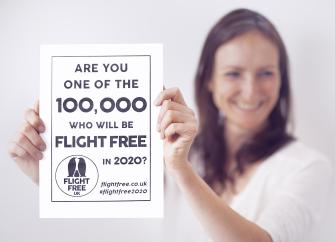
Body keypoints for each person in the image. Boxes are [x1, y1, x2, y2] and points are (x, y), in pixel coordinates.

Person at [8, 8, 334, 242]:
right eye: (233, 73)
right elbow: (105, 191)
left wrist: (181, 168)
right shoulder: (189, 153)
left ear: (282, 80)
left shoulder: (309, 168)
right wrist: (45, 172)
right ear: (208, 81)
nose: (251, 90)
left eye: (266, 73)